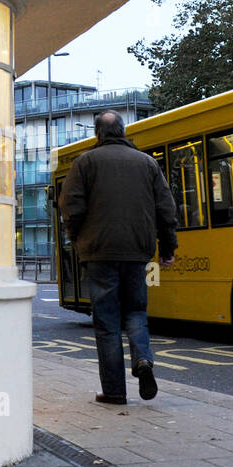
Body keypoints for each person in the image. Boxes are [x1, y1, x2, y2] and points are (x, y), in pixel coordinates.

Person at [58, 111, 176, 405]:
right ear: (123, 131)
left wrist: (77, 239)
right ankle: (143, 360)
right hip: (137, 252)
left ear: (98, 133)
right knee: (136, 313)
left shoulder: (85, 163)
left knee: (107, 322)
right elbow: (166, 208)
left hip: (99, 253)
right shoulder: (147, 163)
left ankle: (114, 391)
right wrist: (169, 248)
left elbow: (71, 206)